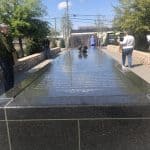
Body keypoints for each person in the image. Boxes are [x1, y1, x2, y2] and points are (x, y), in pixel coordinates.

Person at [0, 23, 15, 92]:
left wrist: (15, 57)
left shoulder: (8, 36)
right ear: (1, 29)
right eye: (6, 28)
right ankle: (8, 91)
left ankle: (12, 89)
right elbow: (8, 47)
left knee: (11, 74)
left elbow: (11, 47)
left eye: (8, 28)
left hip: (9, 57)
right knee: (7, 75)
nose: (8, 30)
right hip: (3, 58)